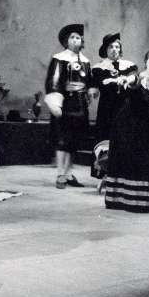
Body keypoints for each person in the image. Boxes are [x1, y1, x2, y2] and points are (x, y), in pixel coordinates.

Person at [104, 45, 149, 213]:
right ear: (145, 63)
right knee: (134, 159)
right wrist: (125, 80)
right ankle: (126, 199)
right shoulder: (139, 77)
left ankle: (147, 200)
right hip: (128, 124)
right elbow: (132, 79)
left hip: (147, 123)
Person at [44, 24, 98, 189]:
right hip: (65, 103)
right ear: (66, 41)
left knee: (74, 140)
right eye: (72, 37)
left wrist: (91, 90)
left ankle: (68, 173)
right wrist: (55, 102)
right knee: (62, 139)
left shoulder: (86, 61)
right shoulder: (59, 58)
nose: (75, 40)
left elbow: (89, 80)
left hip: (80, 104)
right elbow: (54, 81)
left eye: (78, 37)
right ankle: (60, 174)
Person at [91, 33, 138, 184]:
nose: (114, 50)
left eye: (117, 47)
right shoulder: (98, 68)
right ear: (105, 50)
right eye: (111, 47)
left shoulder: (129, 66)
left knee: (125, 138)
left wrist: (128, 79)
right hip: (107, 109)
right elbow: (101, 83)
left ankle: (123, 173)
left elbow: (135, 78)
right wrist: (116, 81)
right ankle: (105, 172)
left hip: (125, 108)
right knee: (106, 138)